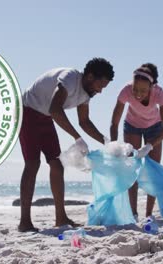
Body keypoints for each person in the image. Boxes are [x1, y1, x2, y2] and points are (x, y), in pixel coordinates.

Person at [18, 58, 114, 232]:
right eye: (101, 85)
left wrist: (107, 142)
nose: (100, 91)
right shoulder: (69, 78)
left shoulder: (86, 94)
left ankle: (60, 218)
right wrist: (77, 138)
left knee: (57, 164)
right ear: (90, 76)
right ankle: (25, 222)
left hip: (45, 117)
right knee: (32, 164)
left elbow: (84, 121)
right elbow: (56, 109)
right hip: (27, 111)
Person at [110, 63, 163, 220]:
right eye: (135, 89)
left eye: (143, 91)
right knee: (133, 169)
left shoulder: (160, 94)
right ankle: (134, 213)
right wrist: (113, 145)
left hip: (155, 128)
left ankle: (149, 214)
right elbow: (114, 122)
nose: (138, 94)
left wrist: (150, 145)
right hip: (132, 126)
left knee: (153, 171)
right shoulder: (125, 91)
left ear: (152, 87)